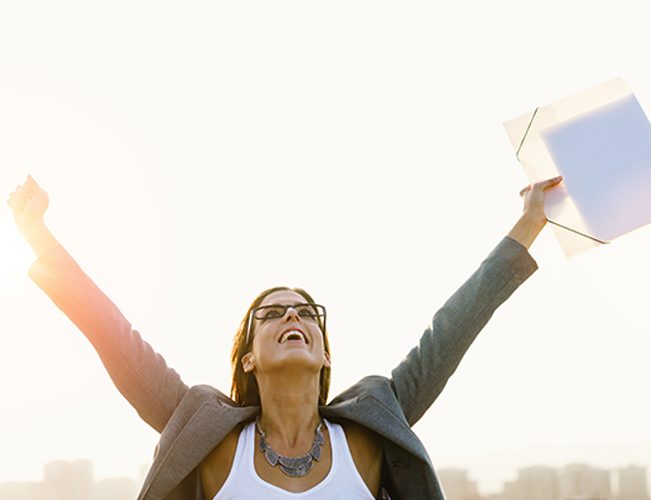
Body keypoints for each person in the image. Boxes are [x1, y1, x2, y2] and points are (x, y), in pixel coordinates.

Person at [7, 174, 562, 500]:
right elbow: (114, 336)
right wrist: (38, 236)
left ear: (323, 352)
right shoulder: (206, 433)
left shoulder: (373, 428)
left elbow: (454, 325)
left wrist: (530, 223)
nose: (293, 317)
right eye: (271, 314)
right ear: (248, 359)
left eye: (305, 311)